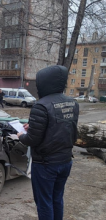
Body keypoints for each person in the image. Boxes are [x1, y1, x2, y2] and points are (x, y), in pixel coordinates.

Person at [17, 65, 79, 220]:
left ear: (44, 83)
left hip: (46, 164)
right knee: (57, 199)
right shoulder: (72, 103)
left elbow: (32, 139)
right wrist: (34, 126)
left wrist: (20, 135)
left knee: (44, 203)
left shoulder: (41, 105)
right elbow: (61, 126)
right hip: (65, 161)